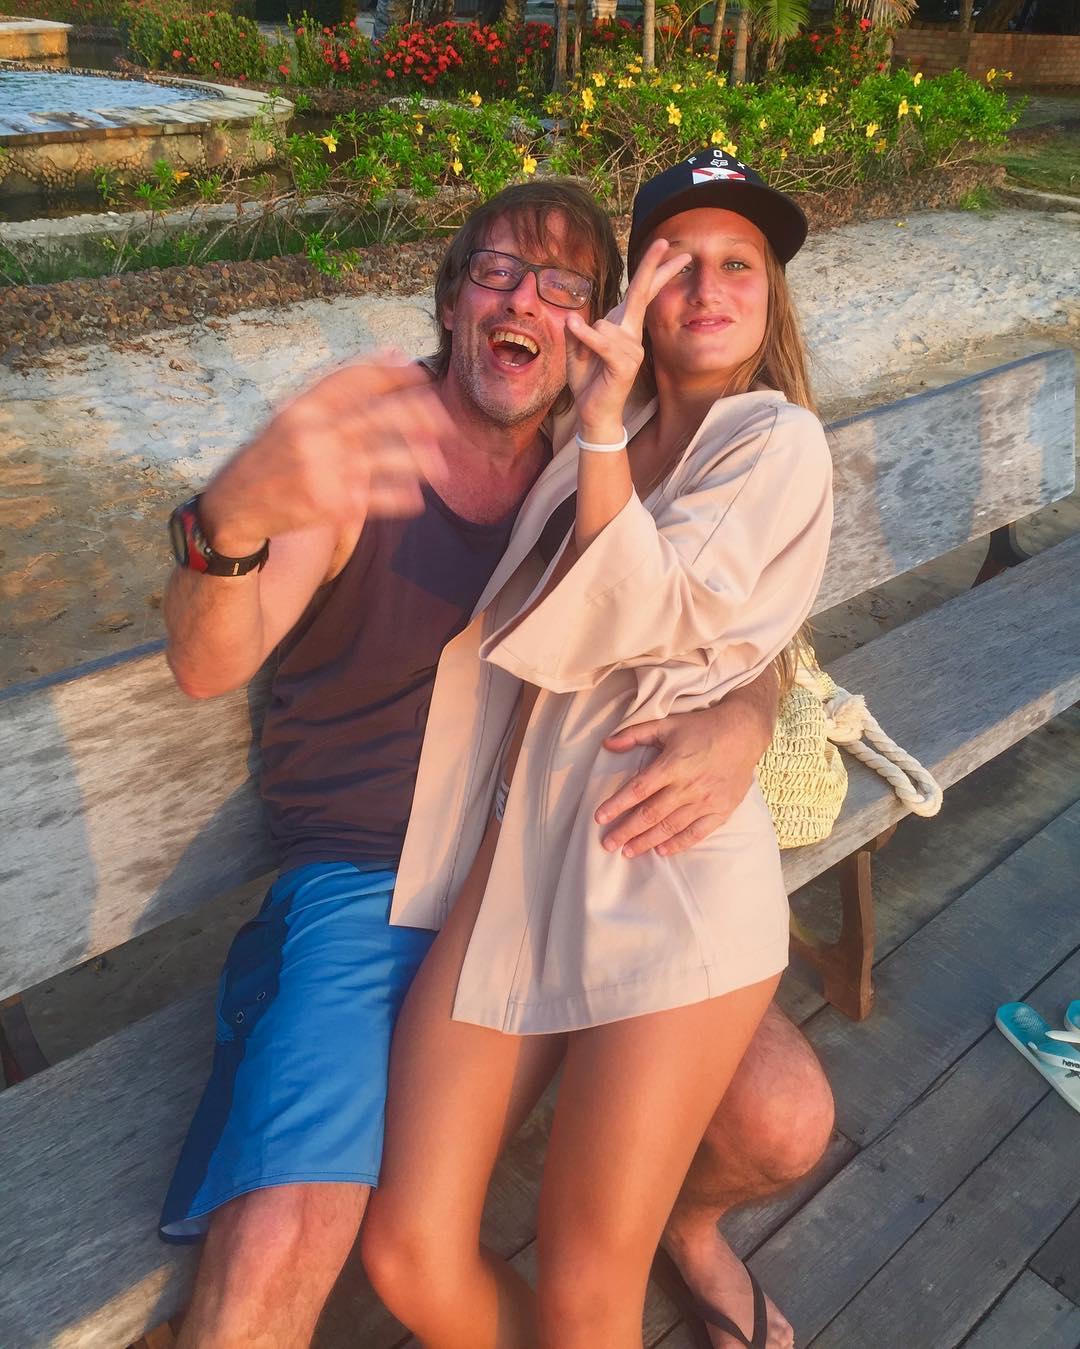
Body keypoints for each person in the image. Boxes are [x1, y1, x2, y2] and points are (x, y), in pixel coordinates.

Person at [159, 176, 833, 1349]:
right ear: (451, 298)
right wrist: (225, 526)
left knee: (779, 1119)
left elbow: (712, 618)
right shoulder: (391, 445)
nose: (525, 299)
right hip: (399, 878)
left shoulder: (601, 445)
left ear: (592, 324)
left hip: (599, 850)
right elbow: (208, 663)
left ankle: (686, 1233)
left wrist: (748, 714)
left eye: (563, 283)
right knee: (339, 1244)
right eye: (497, 271)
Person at [360, 152, 833, 1349]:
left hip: (660, 860)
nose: (710, 288)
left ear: (771, 297)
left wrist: (748, 708)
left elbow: (653, 610)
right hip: (521, 853)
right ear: (635, 298)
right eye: (679, 262)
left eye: (741, 265)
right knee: (408, 1251)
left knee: (586, 1286)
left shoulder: (775, 439)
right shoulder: (586, 439)